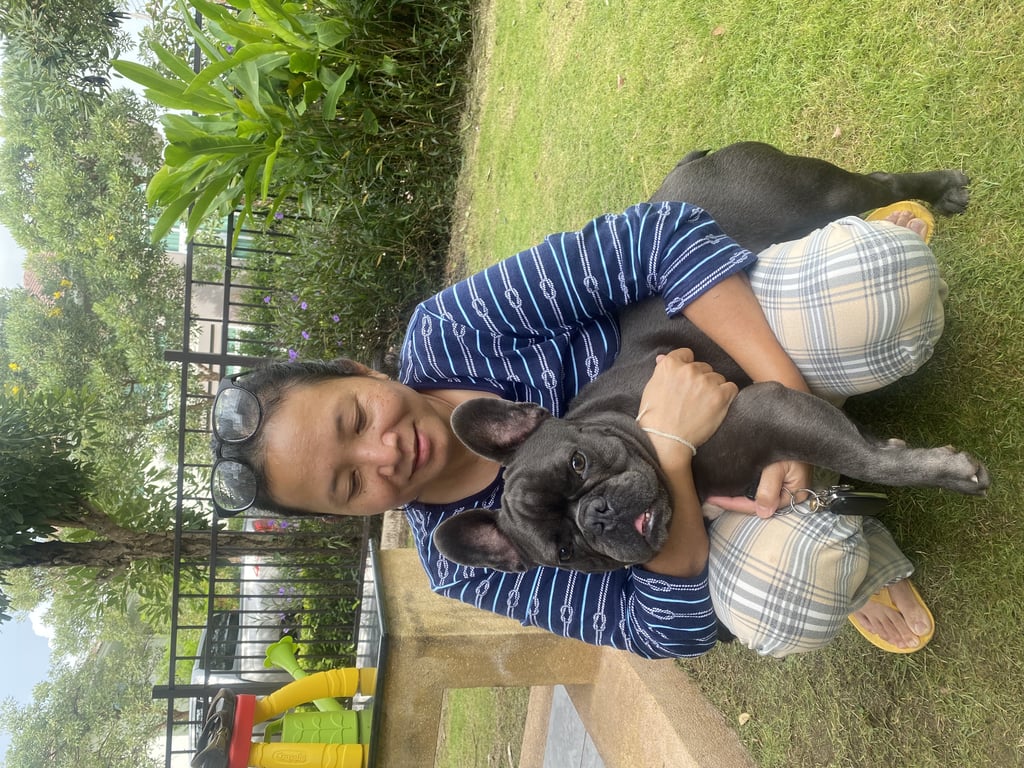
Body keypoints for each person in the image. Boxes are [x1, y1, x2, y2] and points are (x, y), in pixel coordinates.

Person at [209, 199, 944, 658]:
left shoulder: (453, 332)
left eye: (356, 418)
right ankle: (849, 543)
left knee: (881, 292)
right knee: (791, 590)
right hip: (712, 516)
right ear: (350, 517)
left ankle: (828, 317)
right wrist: (671, 453)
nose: (384, 452)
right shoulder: (463, 559)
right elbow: (661, 631)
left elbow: (658, 237)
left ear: (359, 371)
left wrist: (784, 393)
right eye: (349, 484)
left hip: (722, 352)